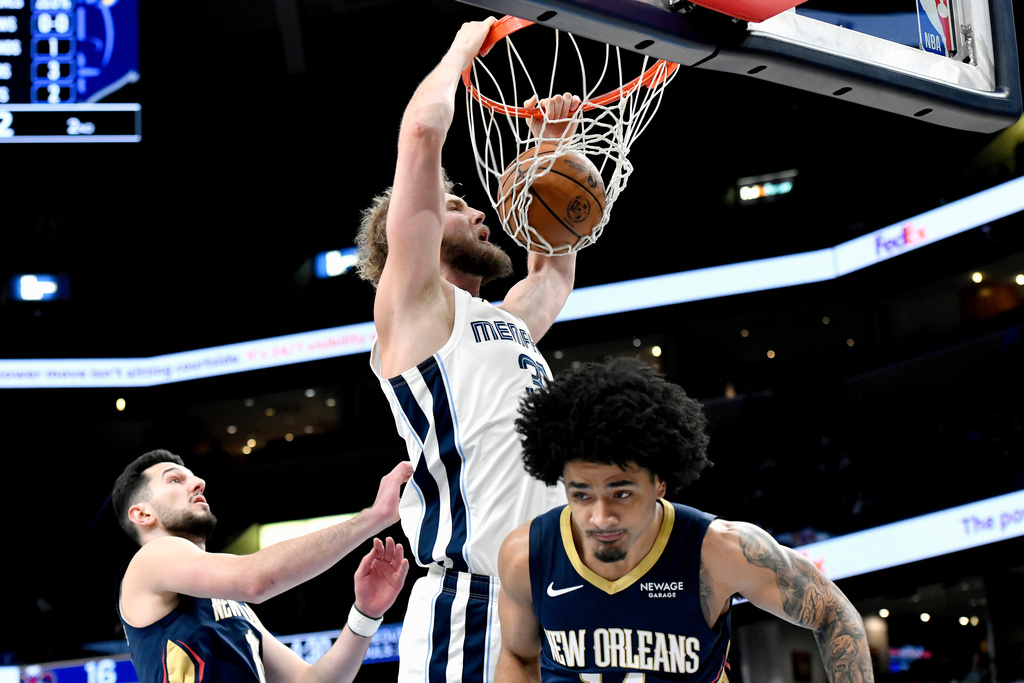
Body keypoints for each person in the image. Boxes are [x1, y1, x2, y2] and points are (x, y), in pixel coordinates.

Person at [353, 15, 583, 683]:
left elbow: (554, 275)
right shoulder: (417, 313)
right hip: (473, 595)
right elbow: (422, 134)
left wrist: (552, 150)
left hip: (556, 592)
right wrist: (464, 44)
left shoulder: (506, 320)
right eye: (457, 205)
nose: (480, 212)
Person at [496, 357, 875, 683]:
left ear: (660, 482)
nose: (600, 517)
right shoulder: (527, 554)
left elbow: (833, 612)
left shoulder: (720, 550)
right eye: (581, 495)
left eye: (621, 493)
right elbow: (518, 655)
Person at [112, 448, 413, 683]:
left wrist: (366, 614)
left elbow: (312, 679)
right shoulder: (150, 559)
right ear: (142, 514)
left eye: (193, 476)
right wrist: (373, 518)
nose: (198, 482)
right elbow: (255, 579)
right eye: (175, 479)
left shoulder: (226, 601)